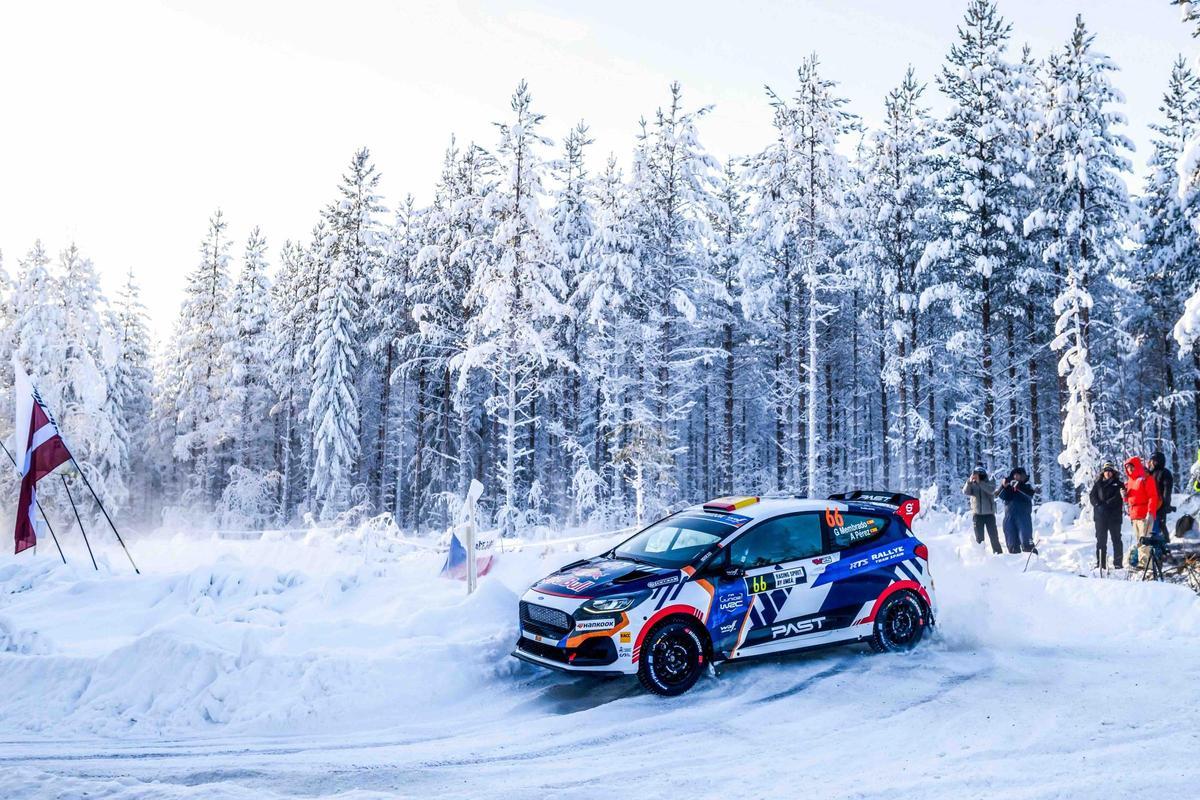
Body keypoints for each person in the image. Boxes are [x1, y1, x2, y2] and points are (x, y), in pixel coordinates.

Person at [1122, 456, 1160, 569]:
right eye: (1127, 467)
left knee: (1145, 542)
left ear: (1136, 466)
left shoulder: (1146, 478)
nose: (1129, 469)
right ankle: (1142, 565)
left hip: (1145, 515)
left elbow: (1153, 497)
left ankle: (1146, 568)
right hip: (1134, 516)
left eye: (1131, 467)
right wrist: (1124, 496)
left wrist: (1150, 512)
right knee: (1139, 541)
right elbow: (1130, 498)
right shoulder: (1130, 481)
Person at [1088, 462, 1124, 570]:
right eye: (1106, 471)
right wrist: (1098, 505)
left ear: (1113, 472)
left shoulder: (1119, 484)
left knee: (1116, 540)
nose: (1108, 473)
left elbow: (1119, 498)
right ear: (1103, 472)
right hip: (1100, 517)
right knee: (1101, 541)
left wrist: (1106, 504)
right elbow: (1092, 496)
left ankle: (1118, 563)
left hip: (1114, 517)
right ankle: (1101, 564)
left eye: (1110, 471)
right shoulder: (1098, 484)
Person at [996, 467, 1036, 554]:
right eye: (1014, 475)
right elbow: (999, 495)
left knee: (1027, 544)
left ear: (1023, 476)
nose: (1016, 477)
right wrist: (1003, 486)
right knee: (1012, 545)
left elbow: (1030, 494)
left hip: (1023, 518)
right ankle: (1015, 564)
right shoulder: (1009, 488)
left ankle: (1035, 563)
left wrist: (1018, 486)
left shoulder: (1027, 486)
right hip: (1009, 518)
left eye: (1018, 475)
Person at [962, 467, 1001, 554]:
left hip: (989, 515)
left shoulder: (990, 481)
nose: (978, 476)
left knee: (994, 537)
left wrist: (980, 483)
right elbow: (965, 492)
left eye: (979, 474)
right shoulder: (972, 483)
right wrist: (969, 482)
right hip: (977, 515)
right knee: (979, 538)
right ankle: (980, 555)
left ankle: (998, 554)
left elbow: (991, 490)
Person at [1147, 451, 1174, 539]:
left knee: (1161, 526)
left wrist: (1166, 504)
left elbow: (1167, 490)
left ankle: (1165, 547)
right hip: (1151, 505)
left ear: (1159, 461)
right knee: (1151, 527)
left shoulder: (1165, 473)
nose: (1151, 463)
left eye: (1154, 461)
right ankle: (1154, 548)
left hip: (1161, 505)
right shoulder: (1150, 473)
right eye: (1151, 461)